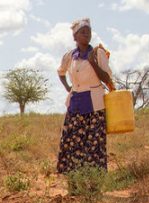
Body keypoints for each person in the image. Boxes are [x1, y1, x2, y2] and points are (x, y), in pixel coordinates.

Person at [56, 18, 114, 174]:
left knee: (93, 144)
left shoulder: (98, 53)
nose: (86, 35)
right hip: (75, 104)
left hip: (94, 105)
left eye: (88, 32)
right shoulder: (70, 56)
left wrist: (93, 63)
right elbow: (60, 72)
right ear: (75, 37)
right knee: (71, 142)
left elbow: (107, 79)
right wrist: (68, 87)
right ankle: (75, 181)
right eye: (83, 32)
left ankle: (93, 181)